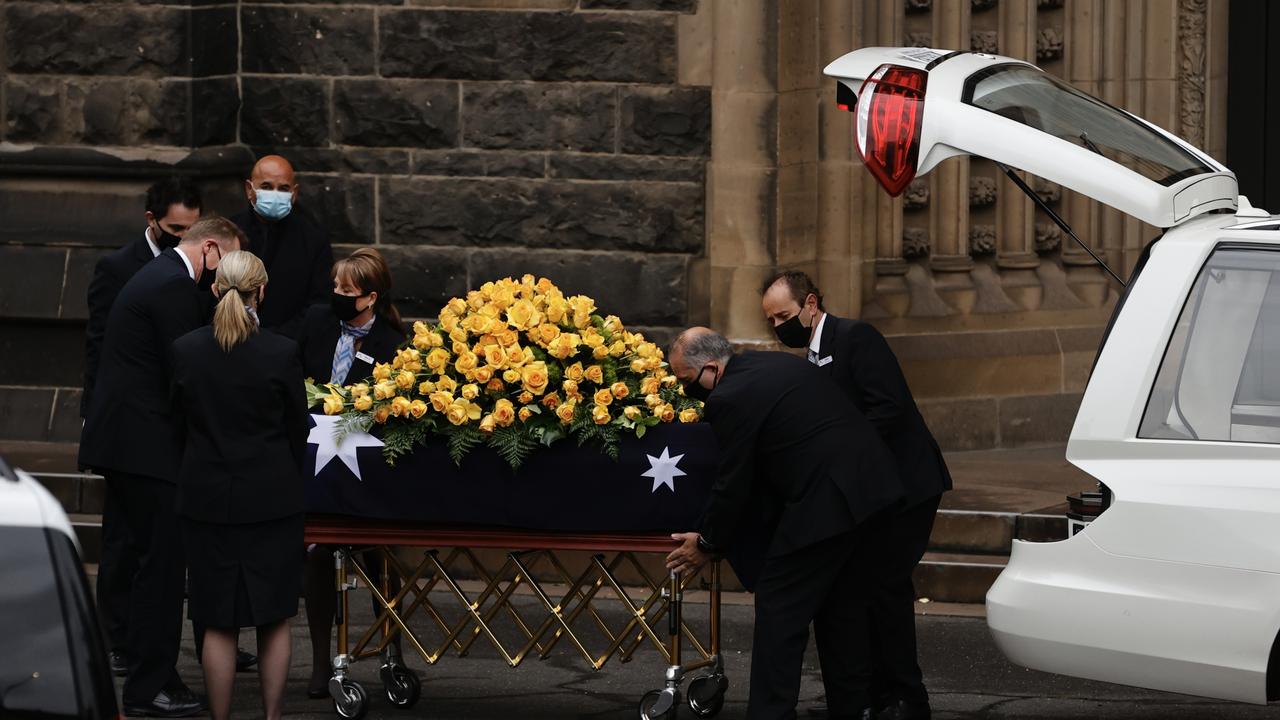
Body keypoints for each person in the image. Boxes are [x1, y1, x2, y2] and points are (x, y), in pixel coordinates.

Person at [665, 328, 903, 720]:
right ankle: (853, 707)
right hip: (869, 490)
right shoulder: (774, 362)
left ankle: (770, 713)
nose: (686, 389)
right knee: (839, 607)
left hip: (828, 501)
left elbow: (734, 480)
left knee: (780, 606)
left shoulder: (728, 397)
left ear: (711, 368)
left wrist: (707, 542)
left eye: (688, 382)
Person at [762, 271, 952, 720]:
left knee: (886, 590)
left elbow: (887, 407)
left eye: (784, 315)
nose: (777, 327)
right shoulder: (807, 356)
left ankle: (907, 698)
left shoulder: (855, 336)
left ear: (811, 303)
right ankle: (872, 696)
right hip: (870, 494)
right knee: (864, 593)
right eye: (770, 320)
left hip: (906, 488)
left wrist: (835, 457)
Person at [79, 216, 244, 718]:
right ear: (211, 249)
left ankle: (146, 670)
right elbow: (188, 369)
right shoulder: (172, 285)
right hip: (146, 449)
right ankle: (151, 684)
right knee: (163, 570)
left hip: (128, 444)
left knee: (146, 562)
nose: (223, 280)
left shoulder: (158, 278)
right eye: (227, 264)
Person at [170, 251, 308, 720]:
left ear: (214, 290)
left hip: (207, 498)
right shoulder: (281, 351)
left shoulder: (186, 349)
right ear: (261, 291)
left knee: (216, 620)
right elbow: (296, 428)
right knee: (273, 618)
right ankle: (271, 717)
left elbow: (176, 424)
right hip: (271, 499)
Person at [81, 176, 201, 677]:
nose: (183, 238)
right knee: (123, 538)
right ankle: (116, 635)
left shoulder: (192, 268)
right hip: (129, 421)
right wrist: (95, 413)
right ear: (152, 221)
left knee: (159, 543)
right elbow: (101, 347)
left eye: (192, 229)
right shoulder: (118, 268)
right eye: (176, 229)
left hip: (166, 422)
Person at [294, 247, 406, 698]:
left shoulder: (395, 344)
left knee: (382, 559)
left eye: (347, 290)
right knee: (318, 556)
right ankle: (322, 661)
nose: (337, 295)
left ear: (370, 298)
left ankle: (392, 653)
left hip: (368, 467)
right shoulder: (317, 324)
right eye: (335, 287)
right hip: (317, 461)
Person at [231, 155, 335, 336]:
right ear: (249, 189)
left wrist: (278, 339)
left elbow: (319, 303)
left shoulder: (313, 239)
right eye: (266, 187)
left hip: (291, 347)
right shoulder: (230, 233)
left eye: (283, 188)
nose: (275, 194)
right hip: (233, 340)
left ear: (294, 193)